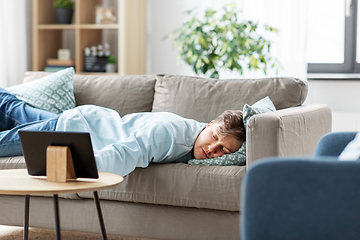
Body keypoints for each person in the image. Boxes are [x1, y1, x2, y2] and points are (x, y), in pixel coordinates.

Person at [0, 88, 245, 176]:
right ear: (209, 124)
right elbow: (125, 153)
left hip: (90, 121)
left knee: (15, 111)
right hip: (73, 130)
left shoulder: (199, 136)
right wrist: (80, 164)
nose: (213, 150)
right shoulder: (168, 134)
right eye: (215, 138)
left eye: (224, 150)